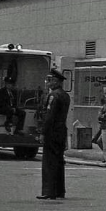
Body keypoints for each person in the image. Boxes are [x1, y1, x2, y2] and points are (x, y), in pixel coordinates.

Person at [37, 69, 70, 200]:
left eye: (50, 80)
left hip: (52, 131)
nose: (48, 83)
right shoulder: (65, 95)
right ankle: (59, 190)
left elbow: (49, 116)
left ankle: (48, 191)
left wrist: (43, 132)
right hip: (61, 131)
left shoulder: (53, 96)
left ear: (57, 81)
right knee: (59, 161)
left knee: (49, 162)